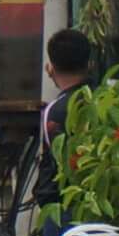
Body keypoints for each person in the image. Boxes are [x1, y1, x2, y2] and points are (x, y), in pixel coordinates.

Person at [30, 27, 91, 221]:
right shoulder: (107, 100)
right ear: (90, 64)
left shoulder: (53, 112)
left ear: (51, 68)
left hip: (63, 210)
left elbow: (54, 164)